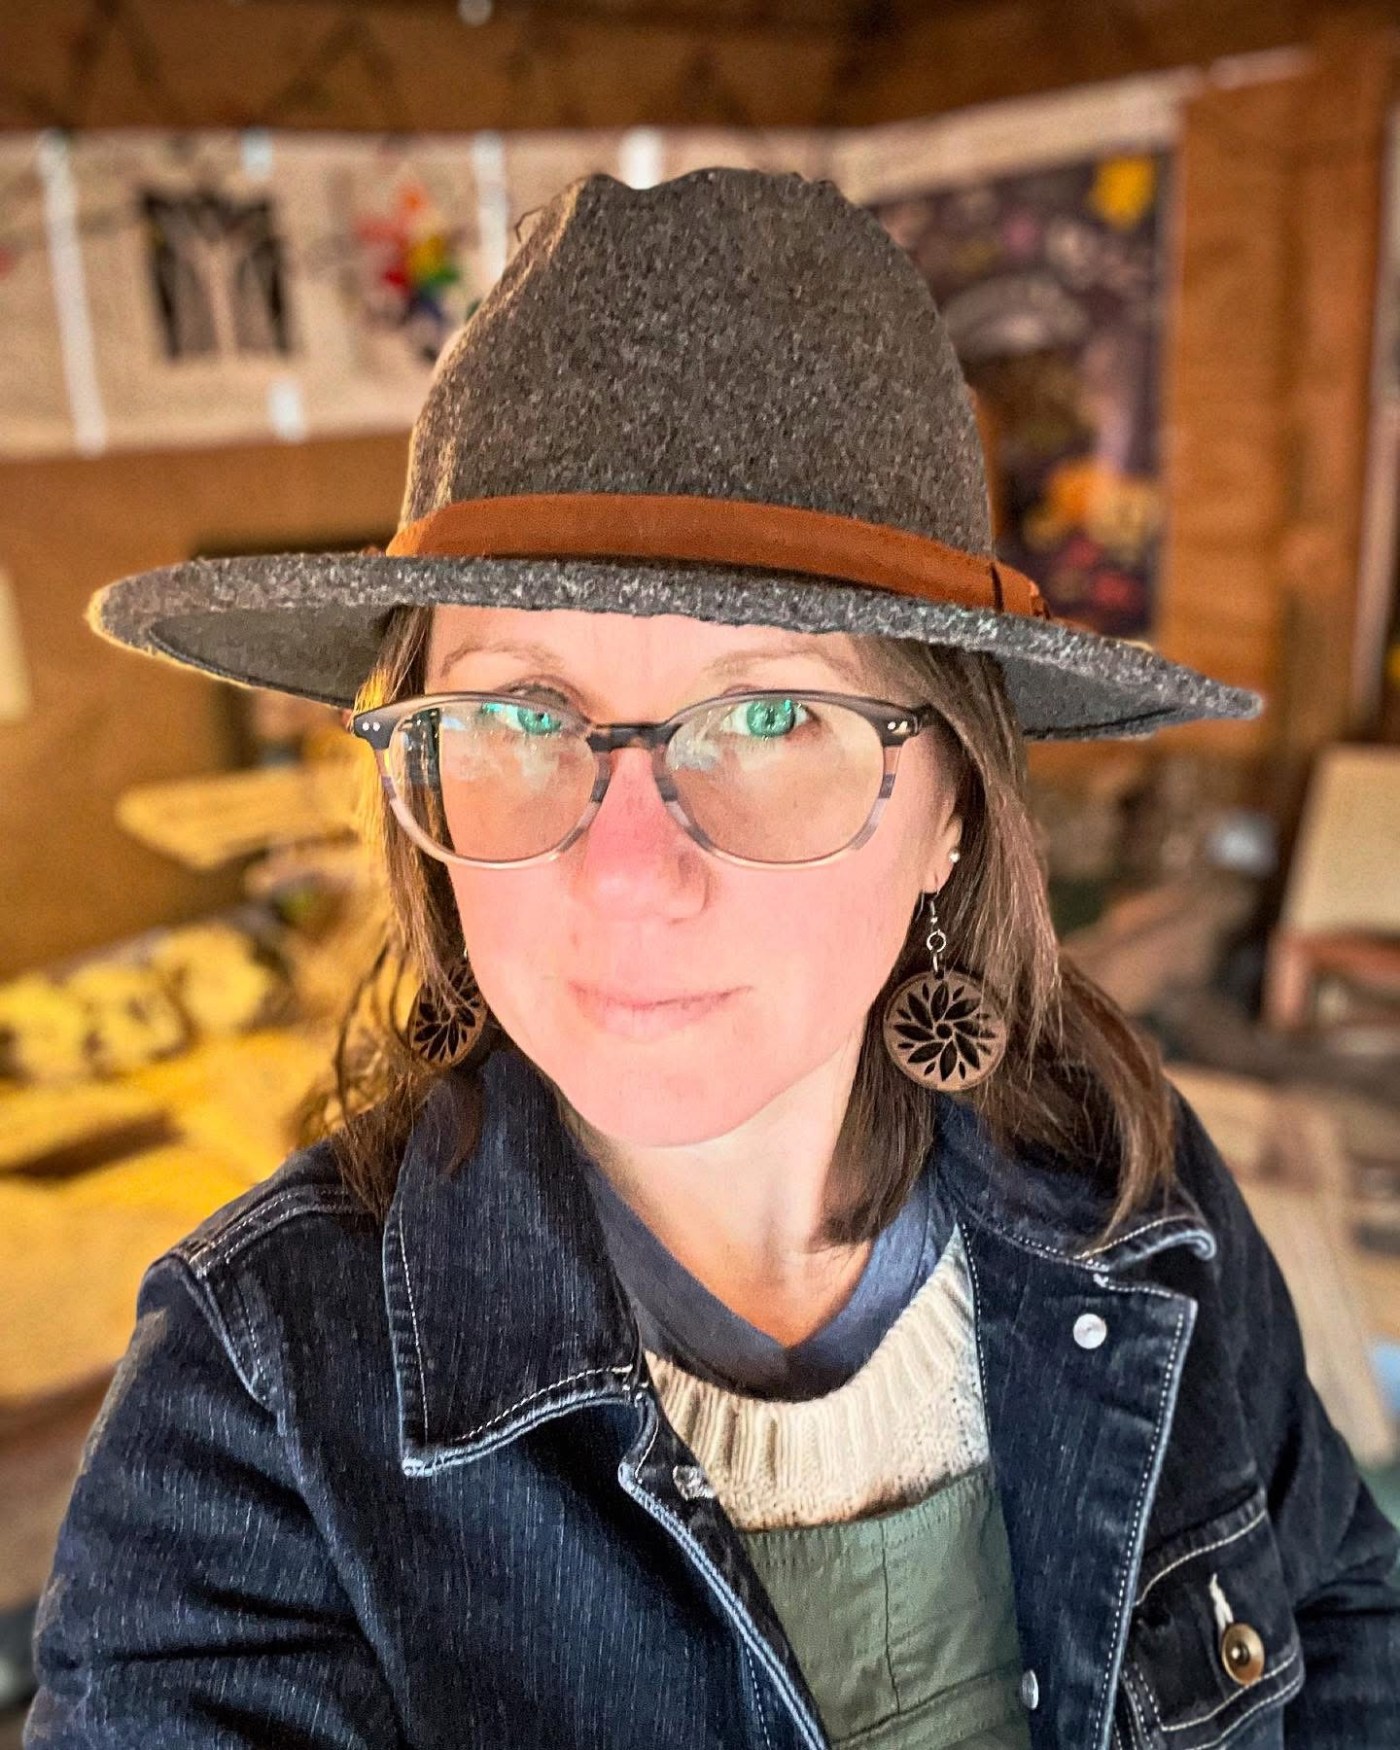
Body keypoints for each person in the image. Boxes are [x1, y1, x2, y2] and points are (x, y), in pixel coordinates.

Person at [25, 167, 1399, 1750]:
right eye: (517, 712)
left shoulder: (1135, 1195)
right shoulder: (255, 1406)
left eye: (768, 714)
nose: (624, 872)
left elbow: (1341, 1614)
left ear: (954, 805)